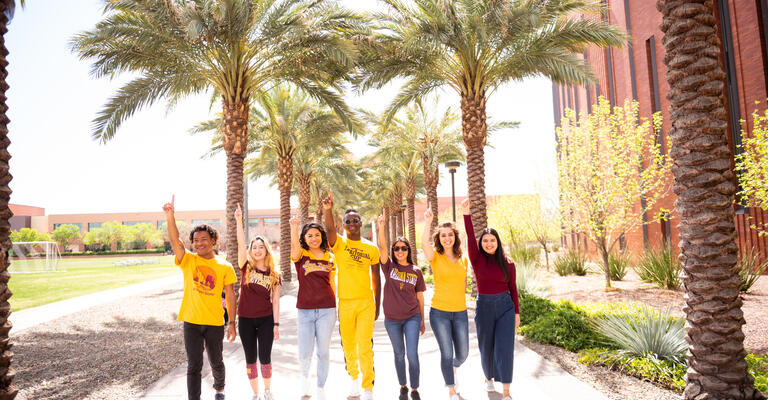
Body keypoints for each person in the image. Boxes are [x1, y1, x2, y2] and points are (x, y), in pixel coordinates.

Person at [163, 195, 237, 400]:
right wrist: (170, 216)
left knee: (216, 361)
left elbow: (230, 295)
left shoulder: (224, 266)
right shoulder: (188, 260)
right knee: (194, 365)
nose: (199, 243)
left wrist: (232, 322)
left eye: (204, 239)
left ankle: (219, 389)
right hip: (192, 322)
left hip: (214, 322)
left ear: (213, 241)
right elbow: (175, 240)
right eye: (196, 240)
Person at [322, 191, 381, 400]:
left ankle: (368, 388)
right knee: (348, 345)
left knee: (365, 346)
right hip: (345, 304)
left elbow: (377, 278)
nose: (353, 223)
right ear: (344, 225)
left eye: (356, 220)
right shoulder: (339, 244)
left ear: (361, 222)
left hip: (366, 303)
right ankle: (354, 380)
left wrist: (378, 305)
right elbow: (329, 230)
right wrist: (328, 210)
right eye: (349, 221)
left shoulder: (371, 248)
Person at [461, 199, 519, 400]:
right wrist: (466, 214)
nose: (489, 243)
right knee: (486, 346)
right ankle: (489, 377)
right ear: (481, 244)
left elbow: (513, 289)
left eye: (492, 240)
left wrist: (517, 313)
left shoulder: (508, 263)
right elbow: (469, 236)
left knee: (504, 347)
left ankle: (506, 391)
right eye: (485, 240)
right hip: (484, 306)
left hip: (505, 307)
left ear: (498, 242)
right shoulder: (477, 260)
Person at [375, 214, 426, 400]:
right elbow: (381, 247)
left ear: (408, 250)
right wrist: (381, 226)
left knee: (412, 353)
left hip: (412, 317)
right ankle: (403, 385)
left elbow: (420, 297)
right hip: (392, 321)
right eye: (396, 248)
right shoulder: (388, 267)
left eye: (403, 248)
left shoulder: (416, 271)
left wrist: (422, 320)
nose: (400, 251)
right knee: (399, 354)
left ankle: (414, 387)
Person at [422, 207, 469, 400]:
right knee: (446, 352)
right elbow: (424, 242)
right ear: (439, 238)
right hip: (439, 312)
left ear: (455, 237)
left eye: (450, 235)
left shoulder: (463, 259)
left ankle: (454, 368)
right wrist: (428, 221)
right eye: (443, 235)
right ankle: (451, 389)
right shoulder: (435, 257)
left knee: (463, 353)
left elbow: (464, 283)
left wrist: (466, 213)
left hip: (460, 312)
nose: (447, 238)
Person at [234, 205, 281, 400]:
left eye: (261, 247)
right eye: (254, 247)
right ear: (250, 251)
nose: (258, 250)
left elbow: (276, 301)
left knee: (265, 357)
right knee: (250, 359)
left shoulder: (274, 274)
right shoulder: (246, 267)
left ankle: (267, 391)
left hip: (265, 320)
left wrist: (276, 324)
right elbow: (239, 244)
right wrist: (238, 221)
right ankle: (255, 394)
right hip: (245, 319)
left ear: (266, 250)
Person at [290, 215, 337, 400]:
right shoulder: (301, 255)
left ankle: (320, 386)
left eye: (317, 235)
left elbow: (333, 283)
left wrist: (337, 306)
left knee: (323, 350)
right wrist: (293, 228)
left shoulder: (330, 256)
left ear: (322, 236)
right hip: (305, 311)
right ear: (305, 238)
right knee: (305, 350)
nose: (314, 238)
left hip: (327, 309)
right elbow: (294, 252)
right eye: (309, 235)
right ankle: (304, 379)